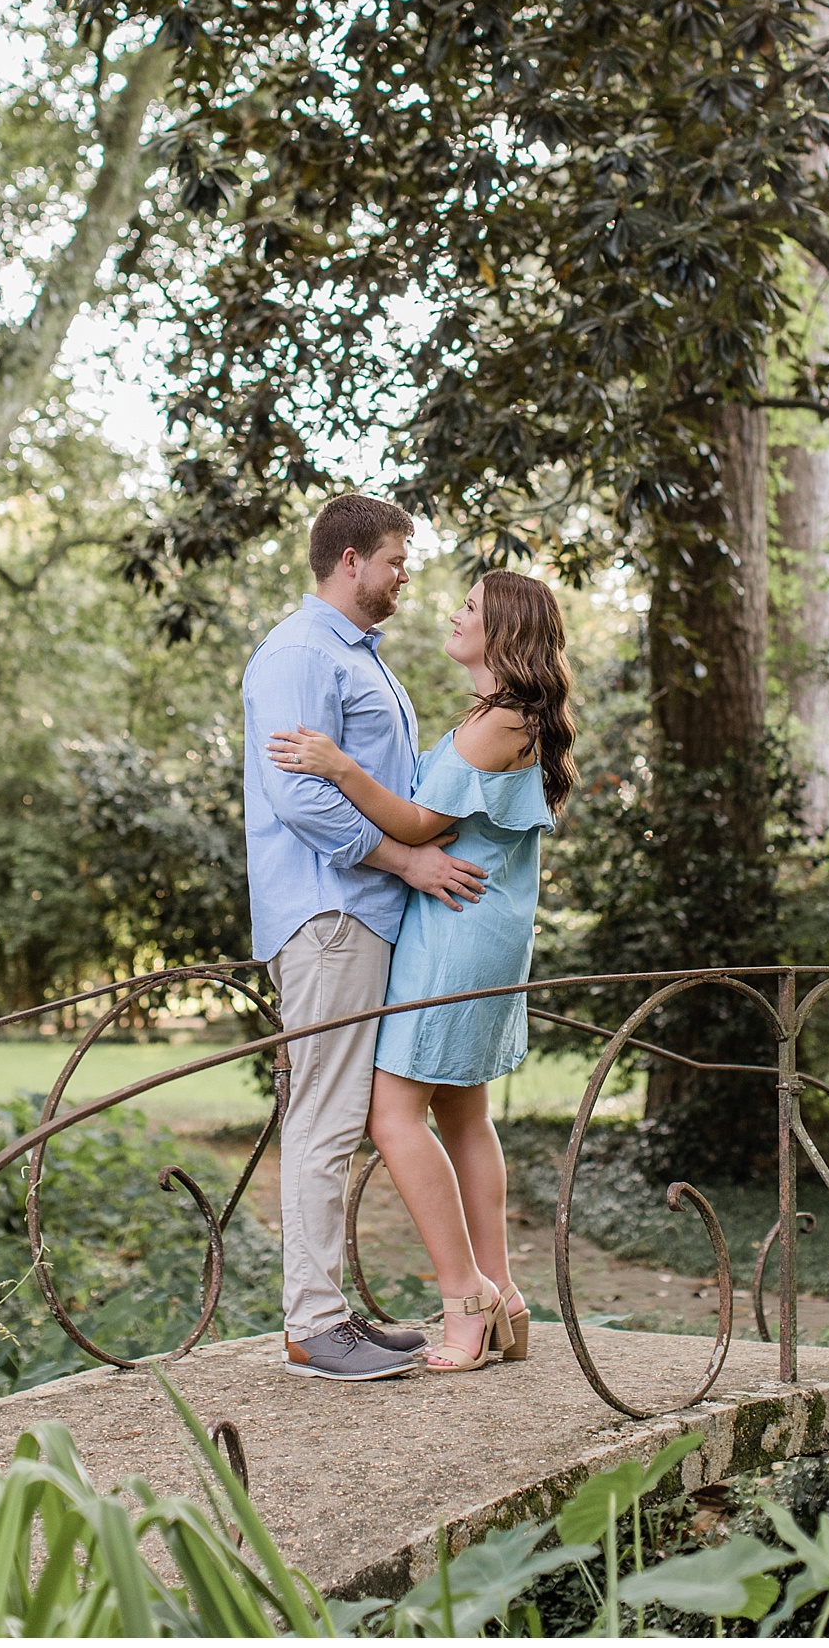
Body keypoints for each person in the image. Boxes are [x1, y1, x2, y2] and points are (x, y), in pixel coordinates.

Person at [269, 569, 577, 1373]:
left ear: (503, 631)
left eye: (470, 608)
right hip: (479, 925)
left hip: (451, 928)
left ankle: (462, 1299)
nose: (453, 611)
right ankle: (501, 1294)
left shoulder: (497, 722)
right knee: (463, 1115)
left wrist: (337, 765)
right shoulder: (503, 716)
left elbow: (415, 823)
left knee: (392, 1116)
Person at [242, 494, 489, 1383]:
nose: (403, 576)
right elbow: (297, 798)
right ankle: (312, 1324)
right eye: (394, 560)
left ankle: (330, 1314)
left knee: (342, 1115)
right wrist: (406, 863)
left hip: (361, 915)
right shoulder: (301, 654)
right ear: (350, 560)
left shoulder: (353, 657)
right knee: (326, 1116)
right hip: (331, 914)